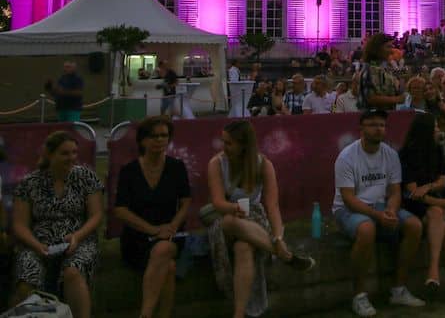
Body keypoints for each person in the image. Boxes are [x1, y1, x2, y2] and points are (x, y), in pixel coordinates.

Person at [206, 120, 314, 318]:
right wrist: (233, 208)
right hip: (226, 216)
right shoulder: (216, 163)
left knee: (243, 248)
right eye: (223, 141)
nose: (224, 147)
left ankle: (238, 314)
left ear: (244, 144)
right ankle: (286, 256)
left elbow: (272, 205)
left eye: (229, 143)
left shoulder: (264, 165)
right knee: (229, 222)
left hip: (254, 217)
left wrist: (279, 236)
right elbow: (218, 202)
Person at [334, 109, 425, 317]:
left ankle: (399, 289)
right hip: (348, 209)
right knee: (366, 229)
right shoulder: (347, 157)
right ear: (361, 128)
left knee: (414, 225)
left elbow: (394, 191)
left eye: (382, 125)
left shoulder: (390, 154)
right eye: (373, 125)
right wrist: (378, 216)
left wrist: (391, 211)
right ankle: (358, 295)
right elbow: (348, 198)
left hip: (381, 206)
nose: (379, 129)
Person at [12, 131, 103, 318]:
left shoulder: (86, 177)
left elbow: (96, 215)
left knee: (73, 271)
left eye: (74, 153)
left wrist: (77, 236)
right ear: (50, 154)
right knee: (28, 273)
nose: (71, 158)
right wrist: (37, 246)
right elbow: (20, 225)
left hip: (79, 240)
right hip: (38, 243)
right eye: (65, 153)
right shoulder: (29, 183)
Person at [113, 116, 191, 318]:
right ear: (142, 140)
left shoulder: (177, 167)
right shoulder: (129, 171)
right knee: (169, 267)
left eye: (164, 135)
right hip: (137, 237)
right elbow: (120, 209)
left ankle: (145, 315)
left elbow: (185, 202)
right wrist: (152, 230)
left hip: (171, 235)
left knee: (164, 248)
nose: (159, 140)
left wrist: (172, 226)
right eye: (154, 136)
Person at [398, 113, 445, 303]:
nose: (439, 130)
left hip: (431, 204)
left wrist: (428, 187)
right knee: (442, 224)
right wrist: (441, 202)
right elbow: (413, 193)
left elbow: (442, 181)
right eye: (435, 126)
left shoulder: (437, 150)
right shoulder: (405, 155)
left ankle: (435, 273)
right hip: (412, 206)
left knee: (439, 221)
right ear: (425, 130)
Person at [356, 34, 404, 110]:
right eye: (388, 47)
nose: (391, 50)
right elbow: (370, 97)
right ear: (377, 48)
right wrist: (397, 99)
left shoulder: (385, 69)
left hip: (386, 116)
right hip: (372, 118)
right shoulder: (369, 69)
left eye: (392, 46)